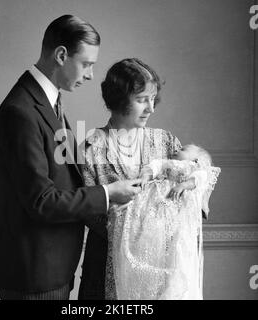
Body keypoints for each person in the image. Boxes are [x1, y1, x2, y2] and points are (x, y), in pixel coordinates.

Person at [0, 15, 141, 300]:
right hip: (34, 271)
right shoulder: (21, 111)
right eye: (87, 64)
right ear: (61, 55)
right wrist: (107, 193)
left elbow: (65, 176)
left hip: (51, 265)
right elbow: (42, 200)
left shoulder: (48, 101)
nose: (90, 74)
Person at [78, 58, 218, 300]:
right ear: (119, 99)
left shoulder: (167, 142)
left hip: (162, 269)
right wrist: (133, 225)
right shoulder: (92, 147)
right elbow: (88, 208)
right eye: (142, 100)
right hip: (105, 266)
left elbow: (201, 174)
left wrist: (195, 193)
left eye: (153, 99)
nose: (151, 108)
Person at [113, 144, 220, 299]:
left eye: (183, 150)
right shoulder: (166, 163)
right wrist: (145, 176)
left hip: (176, 210)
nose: (176, 150)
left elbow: (199, 179)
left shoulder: (194, 168)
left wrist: (183, 185)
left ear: (196, 159)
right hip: (155, 209)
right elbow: (153, 167)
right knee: (151, 241)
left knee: (177, 250)